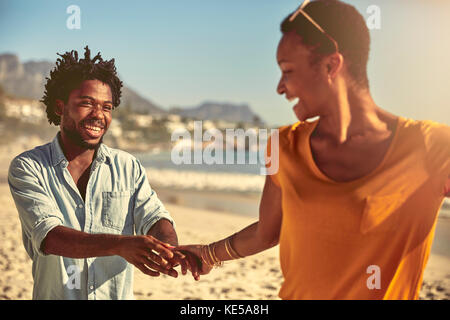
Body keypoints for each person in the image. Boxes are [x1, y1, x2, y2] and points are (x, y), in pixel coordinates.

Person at [177, 0, 450, 299]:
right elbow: (268, 232)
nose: (280, 87)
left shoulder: (431, 147)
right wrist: (208, 254)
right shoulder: (283, 146)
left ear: (331, 65)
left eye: (288, 70)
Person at [8, 46, 199, 300]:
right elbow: (50, 236)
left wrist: (169, 248)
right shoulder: (28, 167)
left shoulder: (128, 167)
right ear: (59, 106)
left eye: (107, 107)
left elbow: (154, 217)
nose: (98, 115)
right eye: (86, 103)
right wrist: (121, 245)